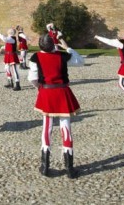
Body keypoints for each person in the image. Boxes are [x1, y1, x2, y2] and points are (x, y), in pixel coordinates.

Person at [28, 34, 84, 179]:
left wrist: (39, 88)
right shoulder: (63, 56)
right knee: (66, 127)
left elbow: (32, 78)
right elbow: (80, 61)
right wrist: (69, 48)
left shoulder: (36, 58)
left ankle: (45, 166)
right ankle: (70, 169)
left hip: (46, 91)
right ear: (53, 45)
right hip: (63, 91)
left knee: (47, 127)